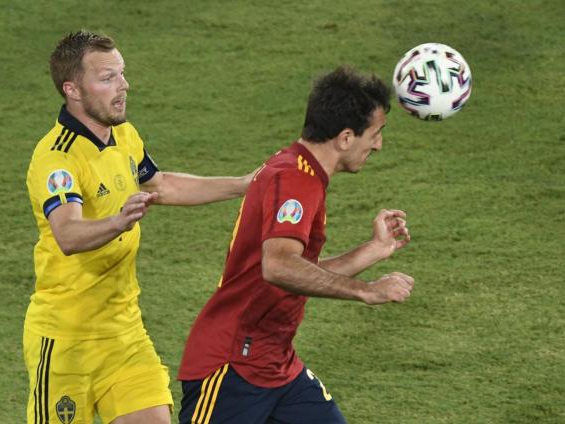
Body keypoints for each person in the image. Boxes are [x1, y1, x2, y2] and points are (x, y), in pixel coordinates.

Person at [24, 30, 252, 424]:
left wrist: (245, 184)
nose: (123, 86)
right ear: (72, 90)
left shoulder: (123, 136)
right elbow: (68, 234)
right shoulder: (56, 158)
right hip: (65, 343)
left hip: (124, 335)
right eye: (108, 78)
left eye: (122, 74)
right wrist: (119, 221)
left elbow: (161, 184)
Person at [177, 66, 415, 423]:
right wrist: (366, 291)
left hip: (276, 365)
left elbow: (299, 272)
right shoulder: (294, 180)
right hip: (232, 367)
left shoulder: (301, 172)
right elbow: (279, 267)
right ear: (346, 137)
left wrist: (374, 250)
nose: (379, 144)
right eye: (376, 134)